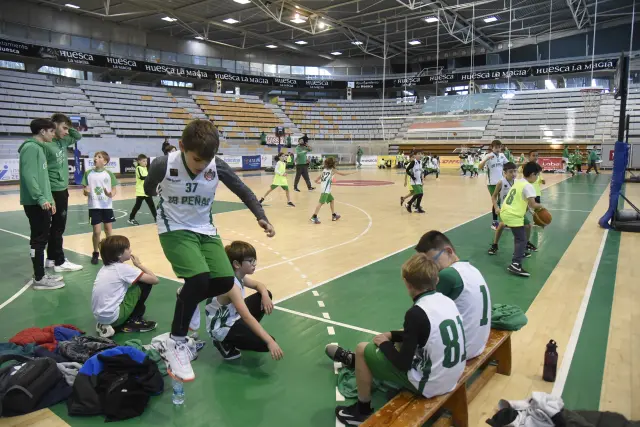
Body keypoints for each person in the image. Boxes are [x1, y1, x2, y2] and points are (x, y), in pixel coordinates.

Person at [143, 119, 275, 382]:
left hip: (205, 229)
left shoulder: (217, 166)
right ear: (182, 147)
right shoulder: (163, 164)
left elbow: (244, 191)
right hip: (174, 227)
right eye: (196, 160)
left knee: (226, 281)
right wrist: (157, 191)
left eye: (207, 161)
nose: (202, 165)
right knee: (199, 279)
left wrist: (261, 216)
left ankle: (187, 295)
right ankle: (176, 341)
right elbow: (148, 188)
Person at [327, 253, 466, 425]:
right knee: (400, 341)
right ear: (436, 280)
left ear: (407, 283)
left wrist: (385, 343)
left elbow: (402, 364)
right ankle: (371, 370)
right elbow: (424, 331)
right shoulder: (447, 301)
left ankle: (361, 411)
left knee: (362, 349)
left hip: (432, 384)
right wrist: (393, 335)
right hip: (454, 374)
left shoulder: (416, 313)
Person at [415, 231, 491, 359]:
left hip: (458, 353)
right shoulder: (471, 269)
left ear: (448, 251)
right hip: (478, 344)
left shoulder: (448, 275)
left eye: (432, 261)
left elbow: (421, 316)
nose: (431, 268)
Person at [204, 241, 283, 361]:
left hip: (232, 316)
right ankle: (223, 342)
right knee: (265, 343)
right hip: (221, 327)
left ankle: (243, 335)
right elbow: (247, 317)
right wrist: (270, 341)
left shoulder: (238, 276)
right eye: (250, 261)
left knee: (264, 295)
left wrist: (265, 295)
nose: (254, 264)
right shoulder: (231, 286)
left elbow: (258, 285)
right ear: (237, 264)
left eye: (254, 260)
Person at [19, 118, 65, 290]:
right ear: (42, 131)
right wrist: (41, 198)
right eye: (51, 131)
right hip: (35, 203)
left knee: (41, 239)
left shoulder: (39, 148)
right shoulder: (31, 148)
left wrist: (50, 199)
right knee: (38, 240)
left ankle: (41, 274)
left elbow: (43, 178)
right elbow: (29, 176)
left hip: (42, 201)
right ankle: (39, 278)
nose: (54, 134)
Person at [40, 114, 84, 273]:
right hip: (53, 190)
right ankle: (60, 261)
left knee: (56, 227)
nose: (66, 132)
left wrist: (67, 129)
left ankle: (51, 258)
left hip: (61, 189)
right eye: (64, 128)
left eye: (67, 129)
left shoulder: (62, 141)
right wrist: (48, 195)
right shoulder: (45, 145)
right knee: (57, 227)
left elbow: (78, 136)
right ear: (54, 125)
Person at [92, 235, 159, 338]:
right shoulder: (123, 269)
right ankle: (133, 321)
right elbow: (154, 280)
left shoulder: (104, 268)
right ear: (119, 254)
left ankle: (104, 324)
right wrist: (139, 264)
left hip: (100, 316)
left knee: (131, 284)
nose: (130, 250)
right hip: (113, 317)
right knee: (144, 283)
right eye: (127, 248)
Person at [500, 162, 545, 277]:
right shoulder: (529, 186)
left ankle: (518, 253)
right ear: (533, 174)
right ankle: (515, 264)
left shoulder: (519, 181)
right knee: (521, 239)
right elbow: (533, 204)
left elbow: (524, 202)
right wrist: (542, 207)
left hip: (505, 211)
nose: (537, 177)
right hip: (513, 214)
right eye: (537, 175)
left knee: (520, 235)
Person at [488, 162, 537, 256]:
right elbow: (494, 197)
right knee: (502, 225)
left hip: (516, 209)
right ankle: (495, 245)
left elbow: (523, 198)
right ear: (505, 173)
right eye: (510, 172)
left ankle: (525, 244)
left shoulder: (518, 182)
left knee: (528, 226)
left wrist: (530, 210)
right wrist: (496, 208)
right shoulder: (501, 182)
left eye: (515, 171)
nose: (513, 174)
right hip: (504, 209)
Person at [82, 151, 118, 265]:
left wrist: (110, 194)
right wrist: (86, 191)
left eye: (99, 157)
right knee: (96, 232)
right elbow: (85, 191)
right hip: (94, 206)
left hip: (107, 206)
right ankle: (95, 252)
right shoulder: (88, 173)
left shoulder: (109, 174)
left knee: (108, 231)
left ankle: (110, 253)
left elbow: (114, 190)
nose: (95, 158)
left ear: (105, 161)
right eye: (95, 156)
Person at [310, 157, 352, 224]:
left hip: (325, 189)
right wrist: (350, 173)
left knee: (331, 200)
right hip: (325, 190)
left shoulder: (324, 170)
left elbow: (317, 179)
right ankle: (314, 217)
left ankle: (334, 215)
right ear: (332, 164)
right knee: (321, 203)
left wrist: (318, 181)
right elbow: (343, 174)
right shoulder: (332, 170)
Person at [479, 140, 509, 230]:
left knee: (502, 202)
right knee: (496, 202)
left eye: (499, 147)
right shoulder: (488, 156)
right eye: (496, 147)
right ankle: (495, 223)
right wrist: (486, 159)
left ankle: (503, 221)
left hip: (501, 182)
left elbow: (508, 165)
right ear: (492, 148)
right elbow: (480, 167)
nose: (498, 149)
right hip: (491, 183)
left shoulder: (502, 155)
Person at [128, 154, 157, 225]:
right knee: (137, 206)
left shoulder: (146, 168)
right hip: (141, 191)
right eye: (143, 161)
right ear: (139, 161)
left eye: (146, 161)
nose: (145, 162)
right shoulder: (138, 168)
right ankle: (131, 218)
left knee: (152, 206)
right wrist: (151, 177)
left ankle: (156, 219)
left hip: (147, 191)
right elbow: (141, 177)